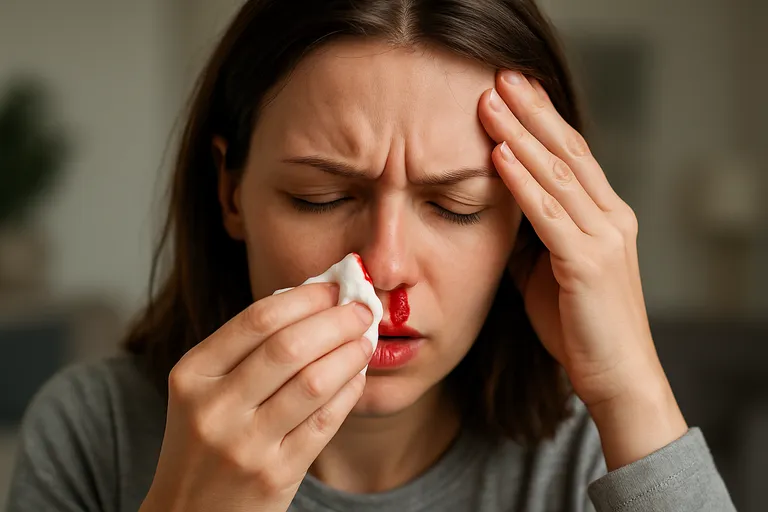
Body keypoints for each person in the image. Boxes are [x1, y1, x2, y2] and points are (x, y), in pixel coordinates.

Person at [6, 1, 736, 511]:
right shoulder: (96, 431)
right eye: (320, 196)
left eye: (457, 206)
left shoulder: (591, 454)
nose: (385, 268)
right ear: (231, 193)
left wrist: (630, 388)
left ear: (525, 225)